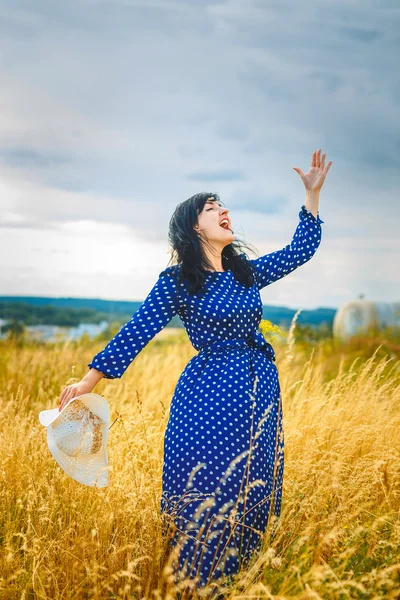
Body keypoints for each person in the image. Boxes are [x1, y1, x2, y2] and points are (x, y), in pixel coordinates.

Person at [58, 149, 332, 594]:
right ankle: (194, 580)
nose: (224, 211)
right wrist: (89, 380)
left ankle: (244, 577)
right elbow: (138, 329)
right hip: (209, 392)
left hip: (259, 388)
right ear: (193, 226)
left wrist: (311, 195)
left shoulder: (245, 273)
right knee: (207, 482)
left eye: (223, 206)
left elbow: (302, 250)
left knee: (253, 479)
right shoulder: (178, 280)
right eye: (211, 208)